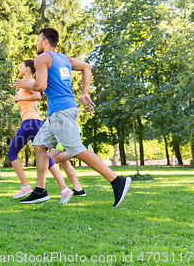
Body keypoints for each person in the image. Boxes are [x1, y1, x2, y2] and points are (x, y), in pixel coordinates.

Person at [14, 27, 131, 207]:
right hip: (58, 112)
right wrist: (85, 93)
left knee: (76, 149)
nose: (36, 43)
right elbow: (86, 67)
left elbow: (41, 86)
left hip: (61, 111)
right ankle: (40, 191)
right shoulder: (64, 59)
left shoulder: (41, 58)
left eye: (38, 40)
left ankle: (116, 181)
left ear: (45, 41)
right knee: (39, 145)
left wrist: (26, 83)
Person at [9, 60, 74, 204]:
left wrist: (19, 97)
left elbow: (38, 96)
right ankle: (65, 189)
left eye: (20, 66)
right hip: (36, 122)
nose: (18, 68)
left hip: (30, 122)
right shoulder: (27, 82)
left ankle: (25, 186)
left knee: (12, 153)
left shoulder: (31, 81)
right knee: (46, 159)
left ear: (27, 68)